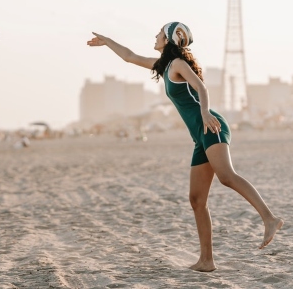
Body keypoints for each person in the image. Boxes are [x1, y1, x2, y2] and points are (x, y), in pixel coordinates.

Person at [87, 22, 283, 272]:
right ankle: (206, 260)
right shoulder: (165, 65)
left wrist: (203, 112)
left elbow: (201, 87)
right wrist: (107, 41)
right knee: (196, 199)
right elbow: (130, 57)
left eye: (159, 33)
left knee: (226, 177)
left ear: (169, 39)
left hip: (210, 125)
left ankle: (269, 218)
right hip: (199, 135)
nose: (155, 35)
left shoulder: (178, 64)